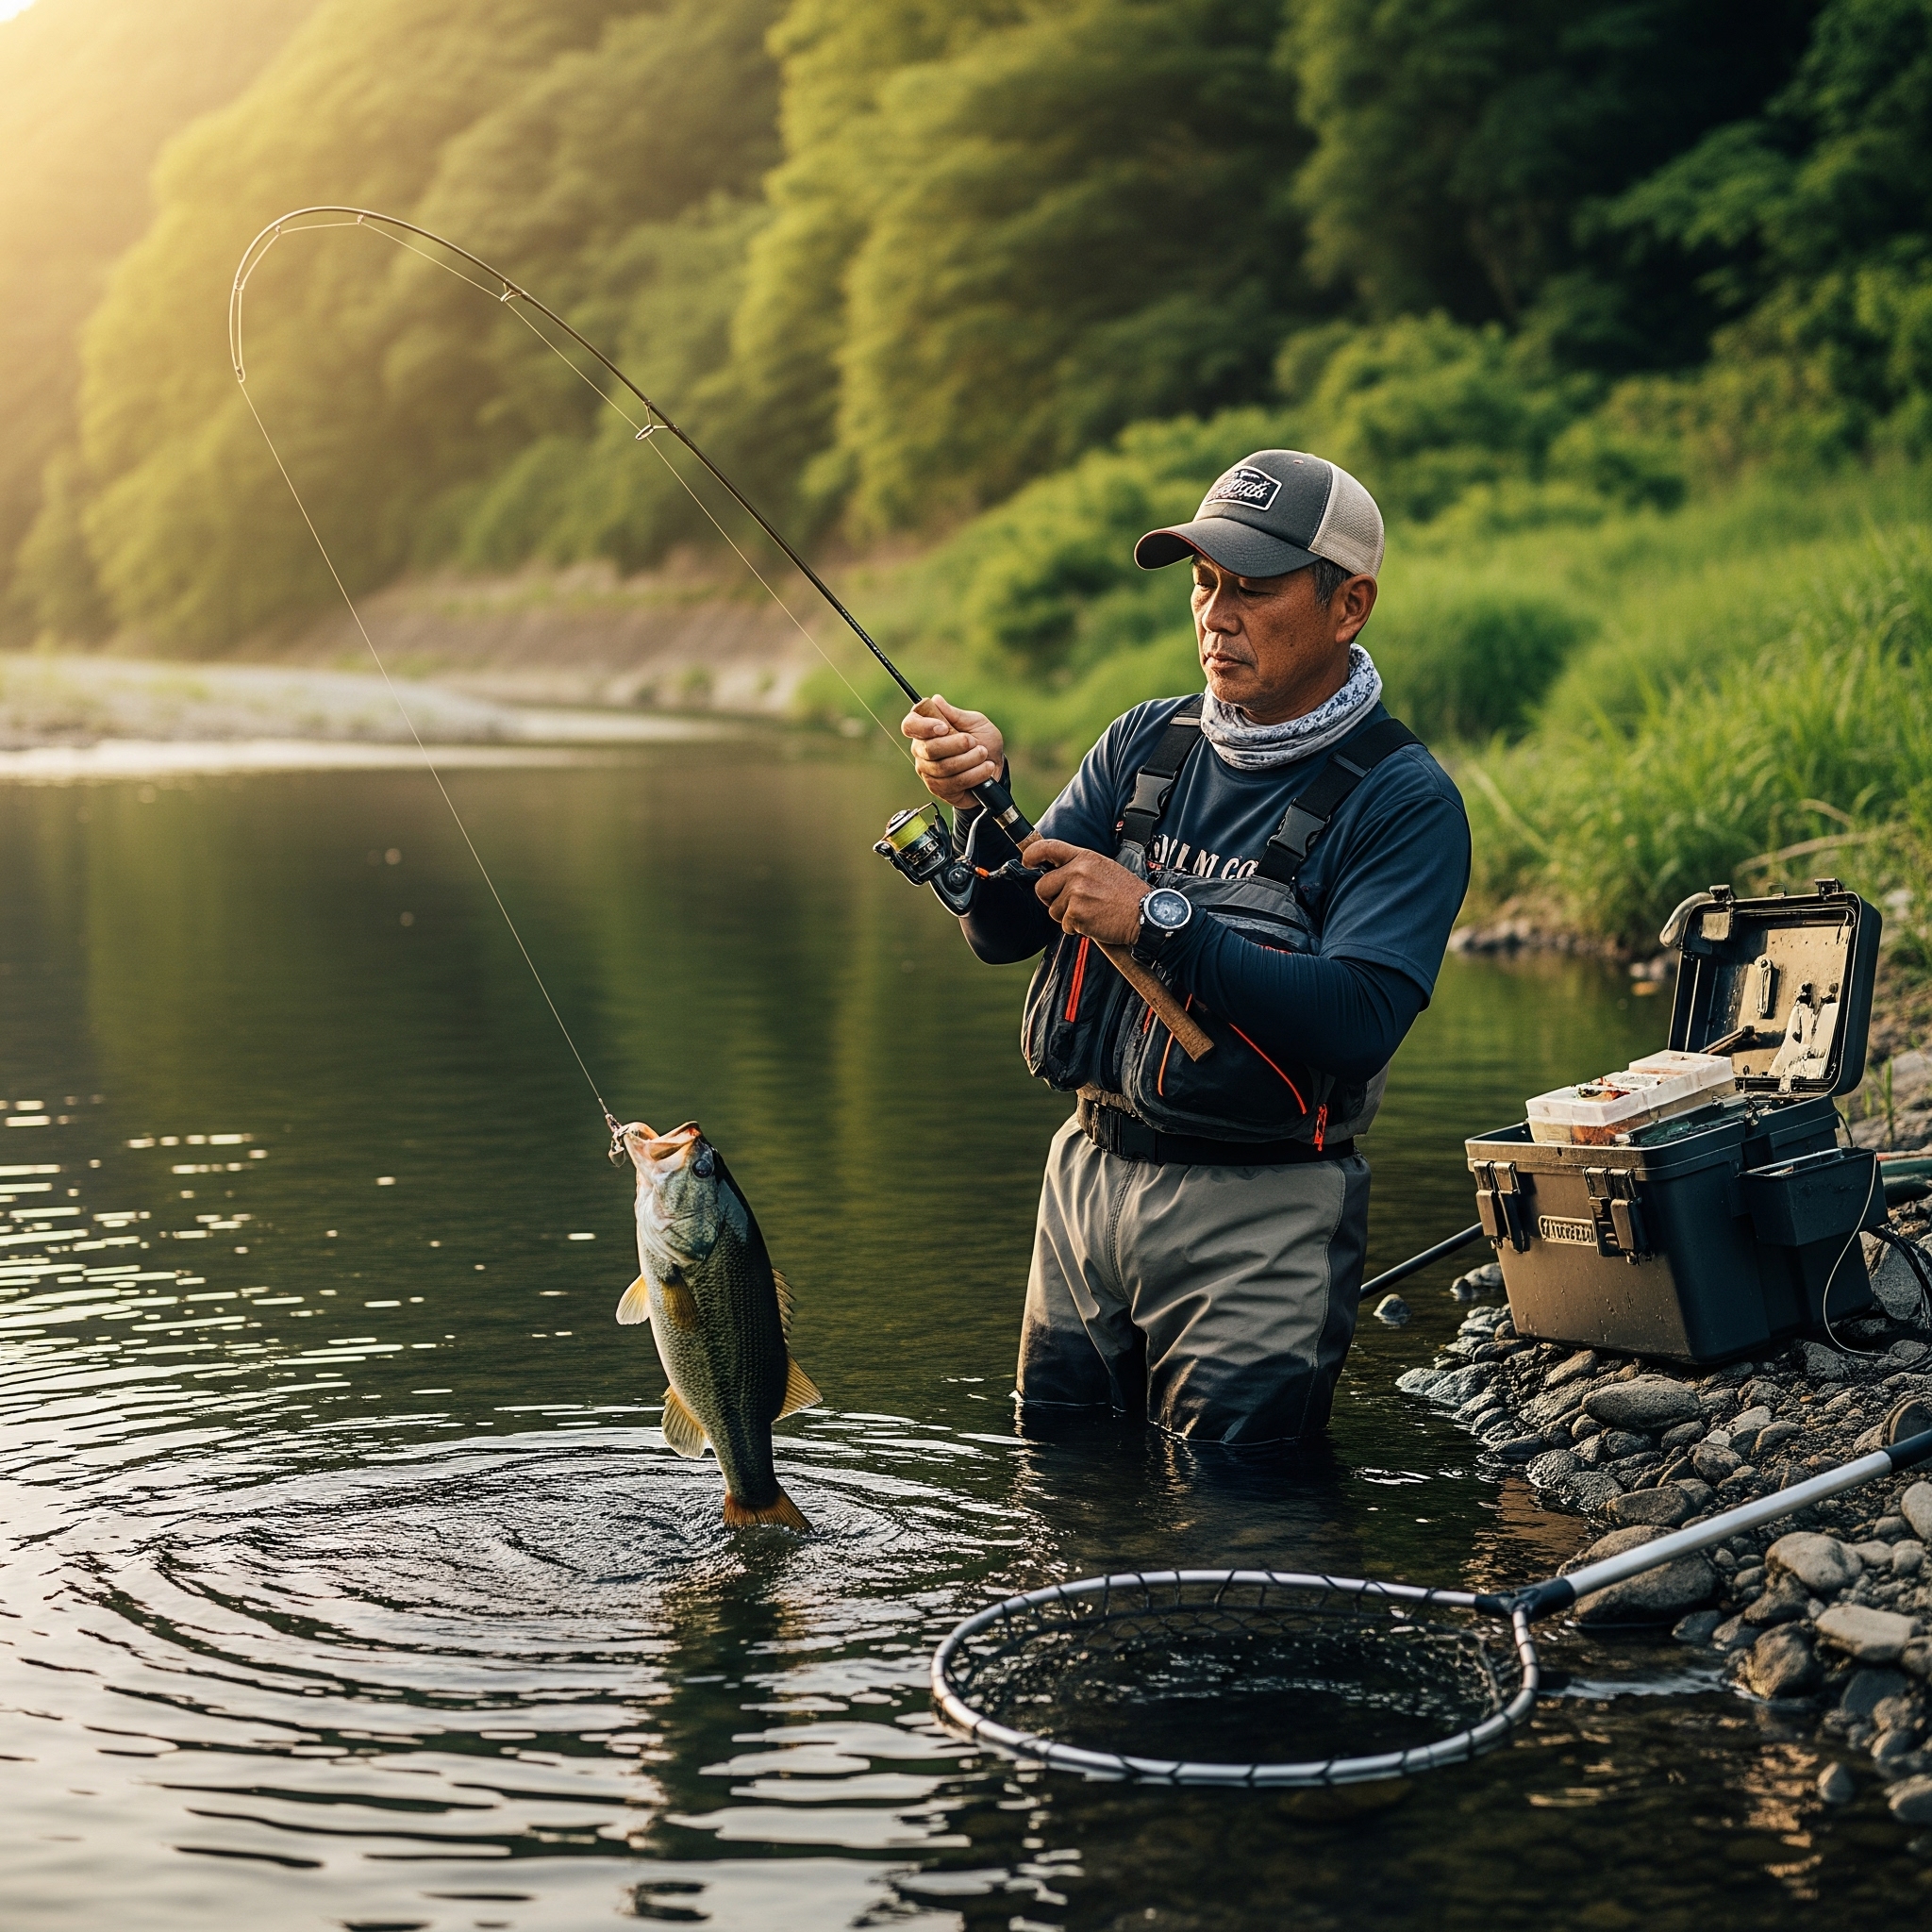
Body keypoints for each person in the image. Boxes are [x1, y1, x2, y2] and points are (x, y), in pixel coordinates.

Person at [901, 449, 1470, 1445]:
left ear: (1349, 606)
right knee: (1058, 1481)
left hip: (1261, 1214)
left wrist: (1157, 918)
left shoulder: (1403, 798)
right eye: (1204, 584)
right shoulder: (1141, 742)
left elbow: (1362, 1019)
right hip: (1081, 1183)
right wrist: (976, 805)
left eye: (1253, 588)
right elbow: (1000, 931)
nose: (1215, 613)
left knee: (1235, 1518)